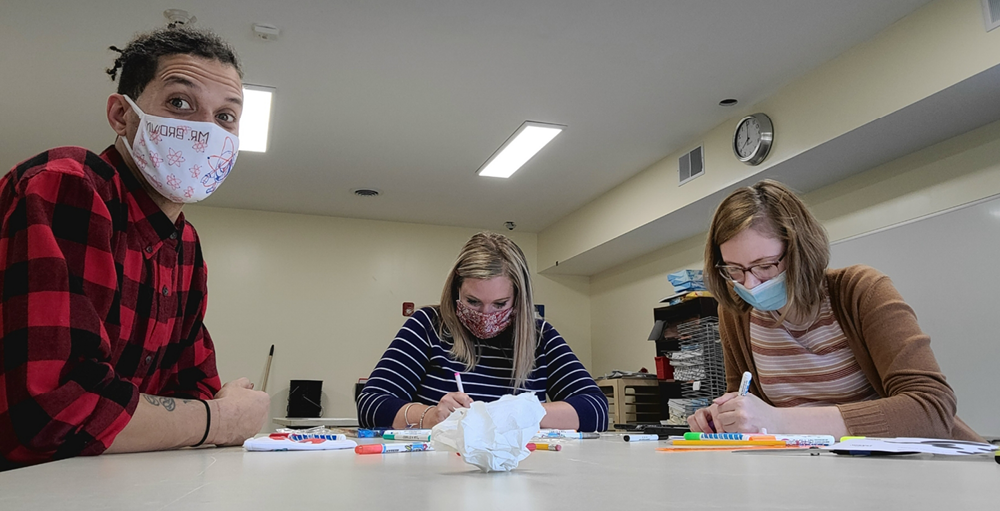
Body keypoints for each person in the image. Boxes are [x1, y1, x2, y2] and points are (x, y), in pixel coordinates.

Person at [0, 27, 270, 471]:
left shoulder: (184, 243)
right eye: (180, 103)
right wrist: (218, 421)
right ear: (121, 115)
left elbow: (193, 388)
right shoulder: (68, 185)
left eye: (226, 117)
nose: (206, 131)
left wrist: (196, 414)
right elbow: (53, 411)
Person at [687, 180, 981, 441]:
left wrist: (779, 421)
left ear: (800, 252)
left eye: (765, 266)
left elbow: (931, 408)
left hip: (919, 470)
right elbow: (747, 408)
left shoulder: (862, 291)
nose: (750, 284)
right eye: (735, 270)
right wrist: (725, 419)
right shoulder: (736, 315)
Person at [358, 232, 608, 432]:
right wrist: (431, 416)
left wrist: (519, 413)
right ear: (457, 288)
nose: (486, 315)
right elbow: (372, 404)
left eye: (500, 304)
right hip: (438, 476)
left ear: (518, 299)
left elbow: (596, 410)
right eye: (473, 302)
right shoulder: (427, 325)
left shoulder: (540, 337)